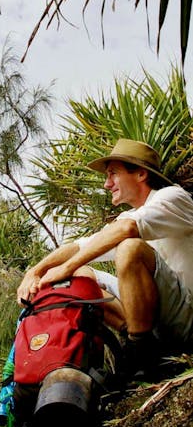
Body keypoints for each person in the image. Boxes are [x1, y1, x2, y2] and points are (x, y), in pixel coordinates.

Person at [17, 138, 193, 380]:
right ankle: (138, 342)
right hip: (160, 323)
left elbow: (126, 230)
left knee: (130, 248)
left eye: (113, 174)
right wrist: (35, 272)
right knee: (81, 276)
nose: (106, 184)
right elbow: (80, 246)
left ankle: (143, 359)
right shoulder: (129, 216)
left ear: (141, 174)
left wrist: (65, 266)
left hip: (187, 318)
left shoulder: (173, 198)